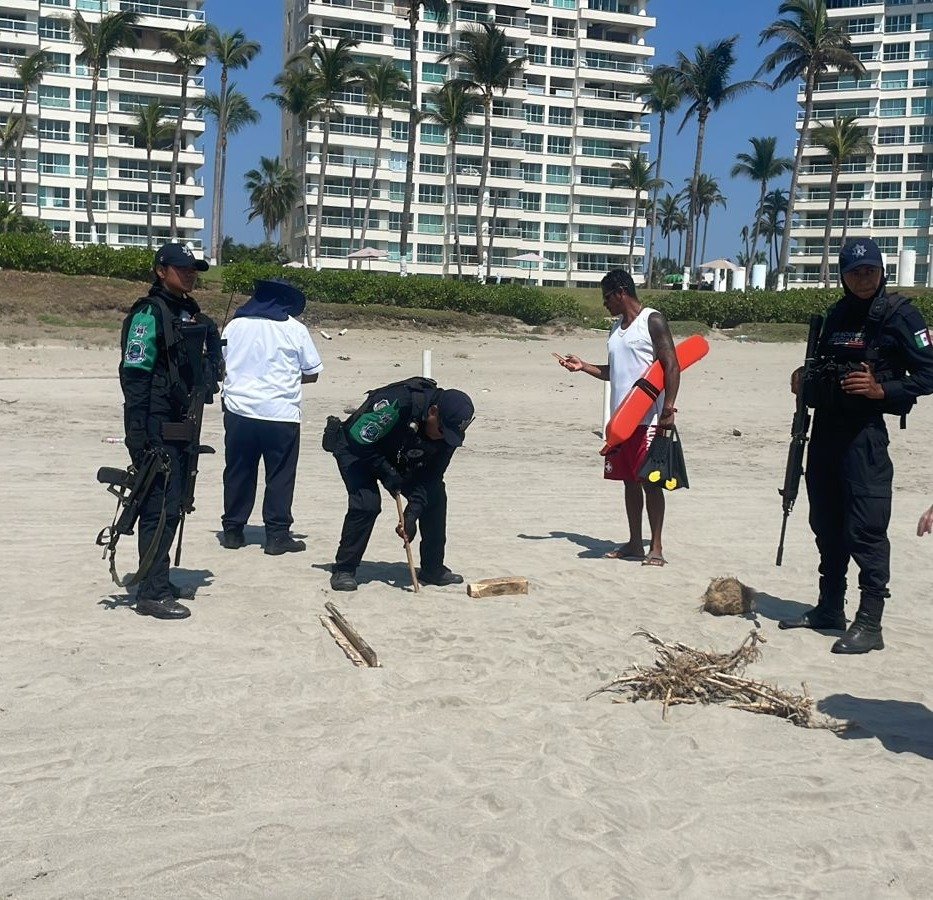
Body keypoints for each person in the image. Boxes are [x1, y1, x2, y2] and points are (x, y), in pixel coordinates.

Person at [779, 238, 933, 653]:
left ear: (882, 270)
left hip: (864, 436)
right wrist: (803, 376)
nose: (863, 277)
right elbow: (822, 363)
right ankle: (830, 607)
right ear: (843, 276)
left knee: (865, 529)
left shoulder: (901, 314)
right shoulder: (836, 314)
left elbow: (929, 373)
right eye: (854, 271)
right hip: (825, 433)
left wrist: (882, 389)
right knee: (826, 524)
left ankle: (870, 622)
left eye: (870, 270)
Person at [119, 242, 221, 620]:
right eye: (182, 268)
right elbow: (135, 376)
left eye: (194, 269)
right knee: (157, 507)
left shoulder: (189, 312)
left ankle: (158, 576)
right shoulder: (148, 313)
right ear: (161, 270)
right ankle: (151, 592)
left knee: (176, 503)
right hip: (156, 423)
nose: (190, 274)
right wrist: (137, 434)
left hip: (183, 423)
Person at [557, 268, 679, 566]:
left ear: (621, 292)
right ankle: (636, 543)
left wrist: (669, 409)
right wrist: (583, 366)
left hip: (649, 418)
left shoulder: (653, 320)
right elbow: (615, 372)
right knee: (628, 482)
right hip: (621, 421)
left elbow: (672, 365)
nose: (605, 303)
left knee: (651, 482)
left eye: (607, 297)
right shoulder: (615, 330)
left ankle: (657, 547)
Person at [323, 378, 474, 591]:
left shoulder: (448, 434)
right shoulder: (398, 402)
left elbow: (431, 477)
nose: (444, 438)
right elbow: (360, 439)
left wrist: (411, 515)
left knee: (436, 497)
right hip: (356, 447)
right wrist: (388, 474)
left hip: (395, 451)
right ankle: (344, 569)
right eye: (442, 431)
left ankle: (433, 568)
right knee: (367, 503)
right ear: (432, 412)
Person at [219, 280, 323, 555]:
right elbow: (312, 372)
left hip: (239, 410)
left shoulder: (234, 325)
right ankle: (276, 535)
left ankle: (232, 530)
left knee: (238, 470)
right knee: (280, 474)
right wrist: (286, 378)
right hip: (280, 413)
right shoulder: (294, 329)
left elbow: (221, 363)